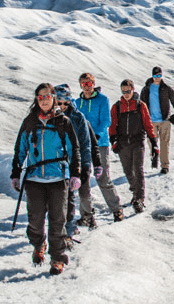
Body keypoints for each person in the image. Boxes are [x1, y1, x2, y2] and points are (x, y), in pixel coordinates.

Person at [10, 83, 81, 276]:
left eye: (47, 96)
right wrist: (16, 174)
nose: (44, 100)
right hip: (34, 179)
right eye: (40, 97)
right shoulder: (30, 122)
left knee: (58, 220)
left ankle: (57, 258)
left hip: (58, 178)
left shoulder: (63, 122)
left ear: (53, 98)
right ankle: (38, 244)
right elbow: (20, 149)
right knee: (35, 220)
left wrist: (75, 174)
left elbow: (74, 149)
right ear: (36, 99)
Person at [54, 84, 100, 243]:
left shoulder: (77, 117)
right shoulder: (49, 116)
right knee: (63, 199)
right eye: (59, 102)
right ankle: (65, 230)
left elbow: (86, 143)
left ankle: (87, 218)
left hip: (77, 162)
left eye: (65, 103)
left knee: (81, 194)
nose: (62, 106)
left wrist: (86, 165)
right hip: (58, 164)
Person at [76, 73, 123, 222]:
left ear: (93, 84)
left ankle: (117, 209)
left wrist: (95, 136)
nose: (87, 87)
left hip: (99, 144)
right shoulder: (77, 102)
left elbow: (106, 121)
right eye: (83, 84)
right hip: (82, 145)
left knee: (102, 177)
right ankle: (85, 215)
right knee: (82, 178)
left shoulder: (102, 100)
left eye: (89, 84)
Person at [109, 79, 158, 214]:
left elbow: (148, 124)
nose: (126, 94)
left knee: (138, 170)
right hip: (123, 143)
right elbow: (112, 126)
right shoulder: (117, 107)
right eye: (123, 91)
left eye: (128, 91)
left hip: (137, 142)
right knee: (128, 171)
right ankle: (135, 193)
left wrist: (153, 142)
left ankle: (139, 199)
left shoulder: (140, 105)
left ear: (133, 89)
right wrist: (113, 141)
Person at [140, 67, 174, 175]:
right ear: (152, 76)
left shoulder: (166, 88)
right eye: (155, 76)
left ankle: (165, 166)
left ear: (161, 75)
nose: (157, 78)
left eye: (159, 76)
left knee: (164, 144)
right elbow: (140, 105)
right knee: (151, 143)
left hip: (165, 120)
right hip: (151, 121)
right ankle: (155, 156)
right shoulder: (146, 89)